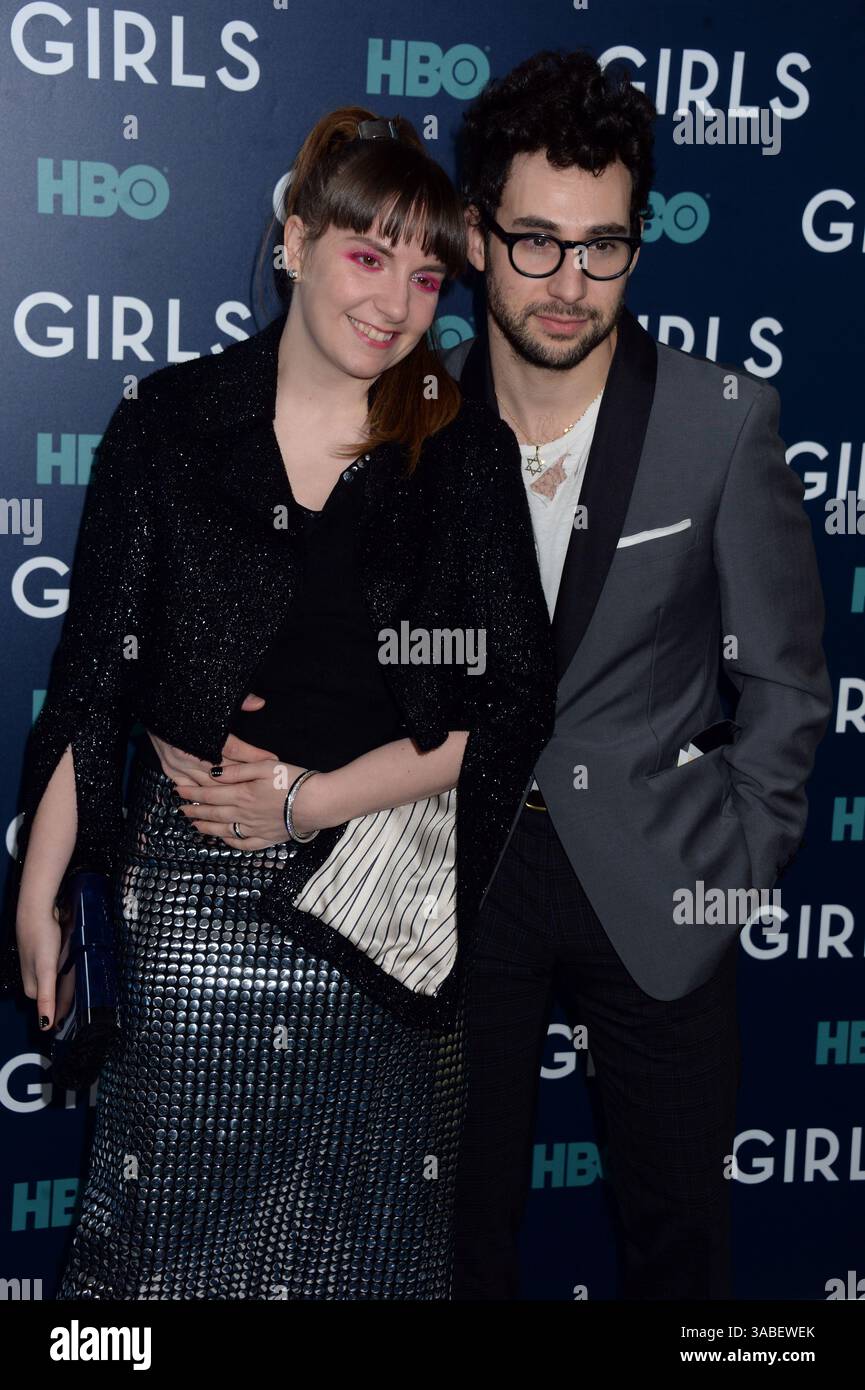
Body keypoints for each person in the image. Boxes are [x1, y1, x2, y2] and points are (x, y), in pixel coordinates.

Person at [7, 106, 557, 1300]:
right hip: (188, 910)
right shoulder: (170, 424)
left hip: (380, 911)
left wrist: (311, 800)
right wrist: (42, 886)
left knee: (366, 1254)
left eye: (424, 277)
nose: (395, 302)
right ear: (295, 242)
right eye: (367, 257)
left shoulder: (457, 454)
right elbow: (93, 677)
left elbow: (512, 697)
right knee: (155, 1257)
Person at [439, 50, 833, 1299]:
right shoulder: (415, 422)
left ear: (636, 246)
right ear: (474, 234)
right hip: (461, 879)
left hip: (666, 878)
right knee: (459, 1240)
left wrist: (740, 856)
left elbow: (783, 679)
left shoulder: (723, 418)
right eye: (537, 243)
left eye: (602, 247)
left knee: (680, 1248)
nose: (568, 284)